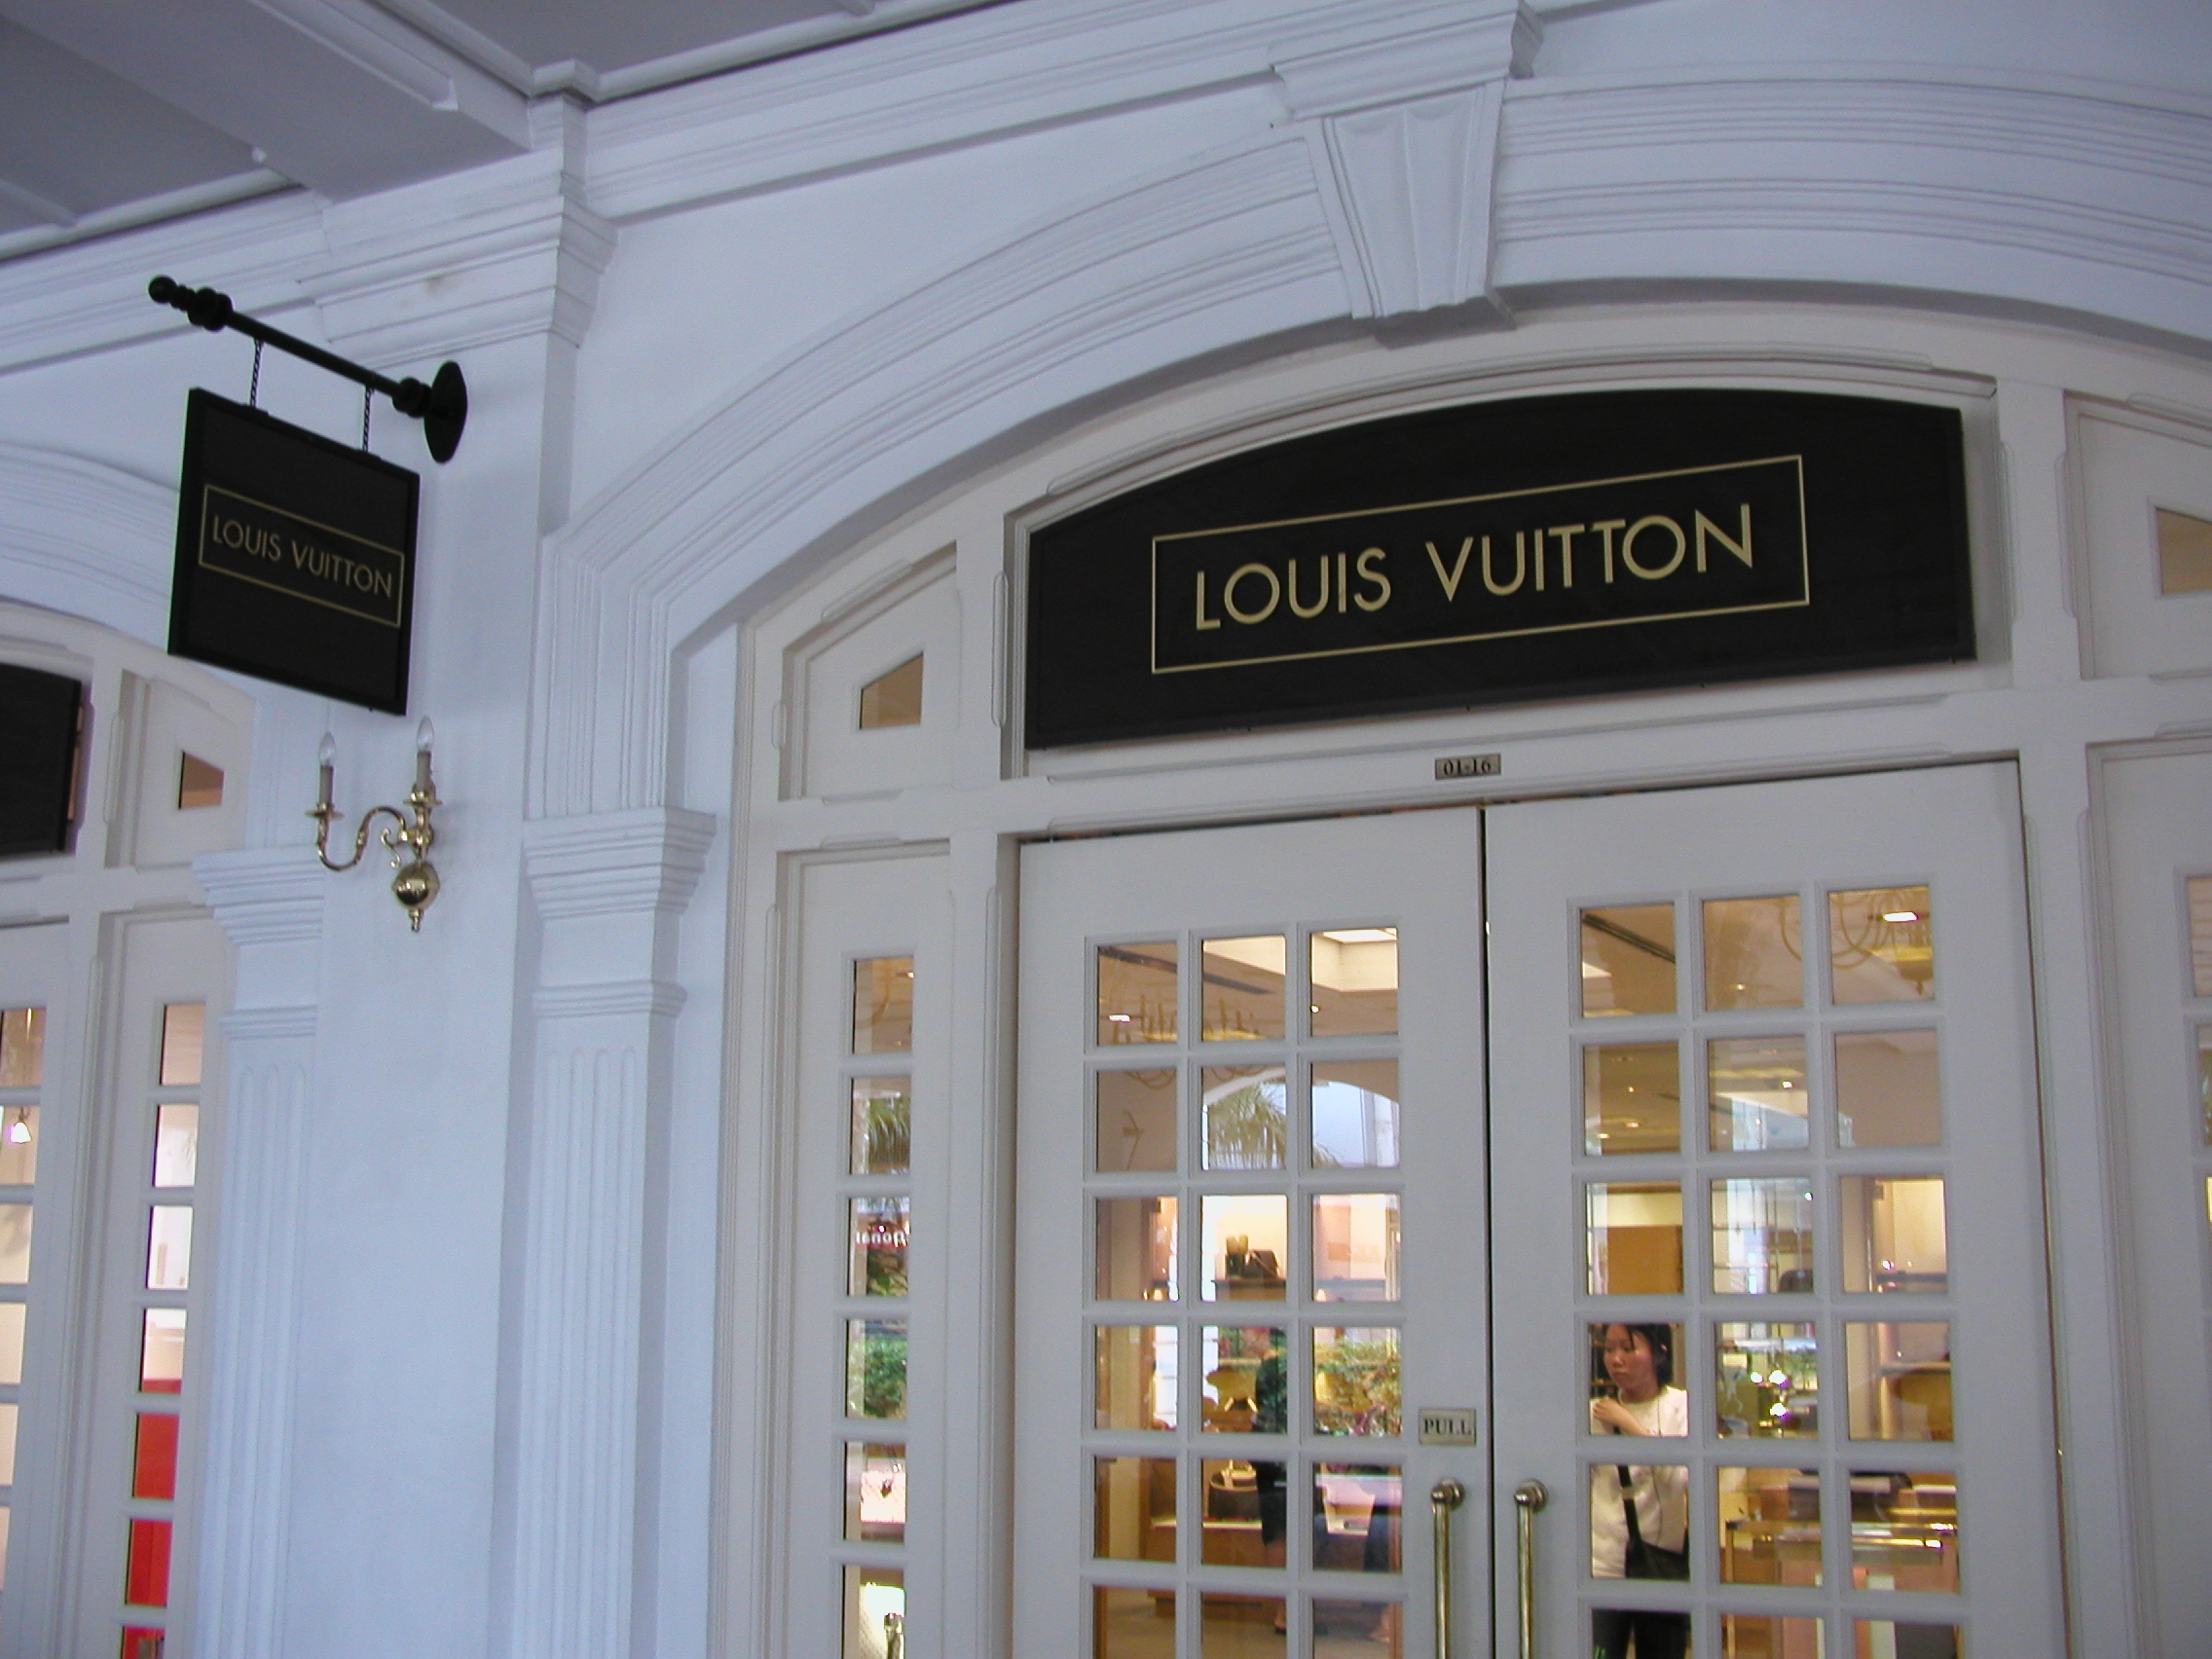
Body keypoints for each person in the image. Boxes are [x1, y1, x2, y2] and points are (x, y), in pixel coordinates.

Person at [1589, 1322, 1690, 1659]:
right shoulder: (1595, 1413)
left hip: (1659, 1563)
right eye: (1609, 1349)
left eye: (1628, 1348)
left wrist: (1628, 1424)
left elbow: (1678, 1479)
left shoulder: (1681, 1406)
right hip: (1604, 1565)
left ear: (1659, 1353)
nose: (1616, 1359)